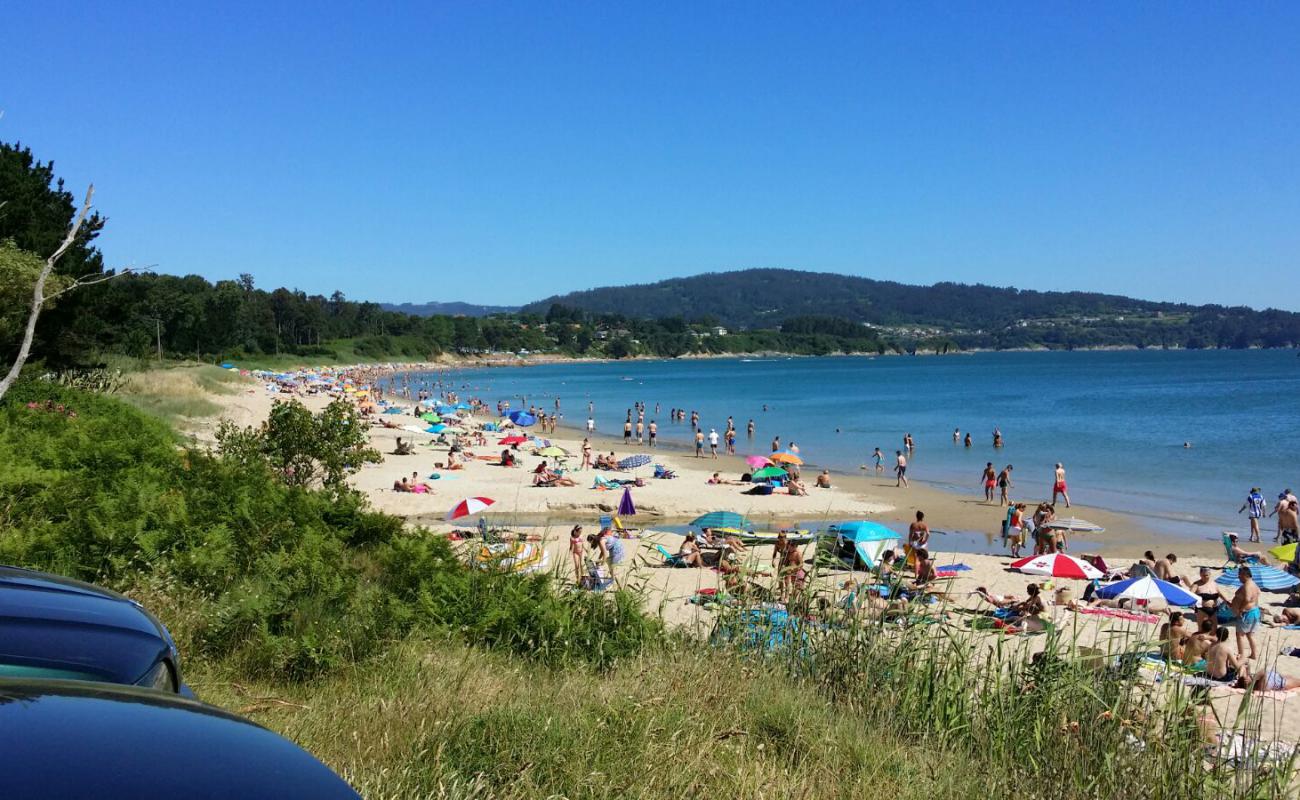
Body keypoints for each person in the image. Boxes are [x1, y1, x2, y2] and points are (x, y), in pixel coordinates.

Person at [1230, 565, 1261, 661]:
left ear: (1244, 575)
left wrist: (1241, 609)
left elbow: (1247, 599)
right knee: (1250, 634)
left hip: (1247, 613)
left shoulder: (1247, 585)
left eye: (1239, 575)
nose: (1238, 577)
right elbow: (1258, 592)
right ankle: (1254, 655)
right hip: (1255, 611)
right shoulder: (1254, 584)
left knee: (1240, 635)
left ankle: (1241, 655)